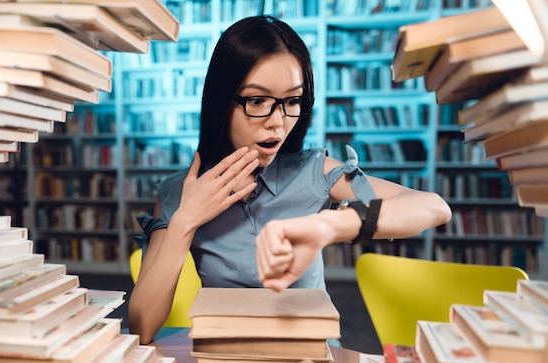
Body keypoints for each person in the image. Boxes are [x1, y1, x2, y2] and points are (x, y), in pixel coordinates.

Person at [127, 15, 451, 344]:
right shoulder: (179, 192)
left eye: (292, 101)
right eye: (257, 101)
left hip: (310, 358)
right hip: (227, 356)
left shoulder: (314, 171)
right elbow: (142, 326)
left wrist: (328, 227)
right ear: (222, 103)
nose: (278, 123)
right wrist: (186, 221)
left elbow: (435, 207)